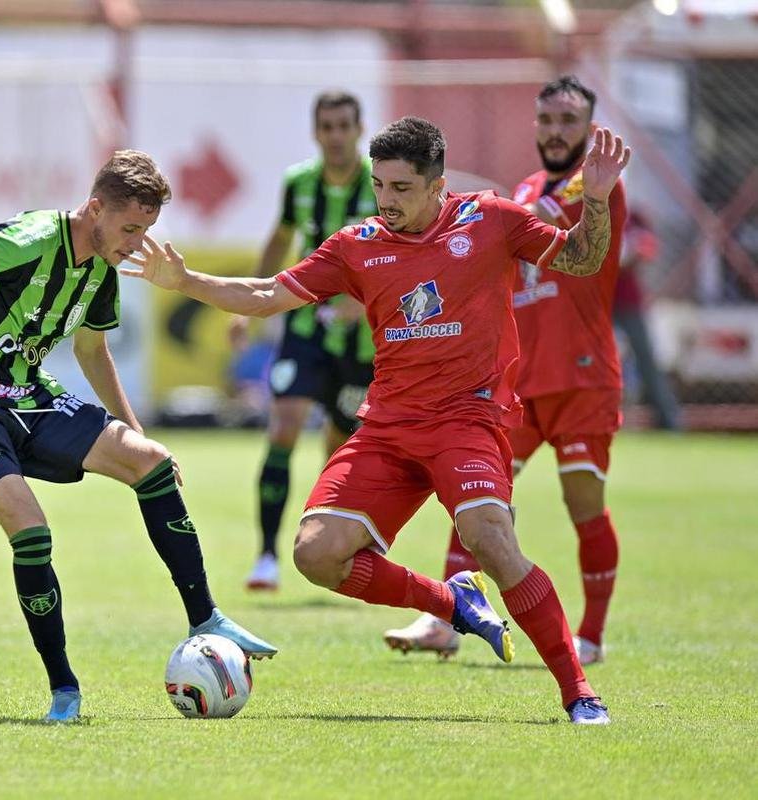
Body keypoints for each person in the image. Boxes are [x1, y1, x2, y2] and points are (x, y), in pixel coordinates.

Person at [123, 116, 628, 724]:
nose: (386, 200)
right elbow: (266, 295)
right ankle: (452, 603)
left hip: (466, 419)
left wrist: (596, 199)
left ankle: (579, 693)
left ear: (438, 185)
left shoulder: (491, 219)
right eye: (379, 185)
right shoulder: (357, 244)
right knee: (315, 554)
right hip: (388, 428)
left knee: (490, 540)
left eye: (401, 188)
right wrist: (184, 281)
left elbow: (582, 257)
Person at [0, 149, 276, 723]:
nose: (137, 244)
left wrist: (135, 435)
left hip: (29, 395)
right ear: (95, 208)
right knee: (30, 528)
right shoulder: (26, 241)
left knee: (152, 462)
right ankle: (63, 689)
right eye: (129, 229)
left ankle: (206, 618)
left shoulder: (102, 269)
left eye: (146, 231)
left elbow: (92, 351)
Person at [384, 76, 629, 666]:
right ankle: (445, 620)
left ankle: (592, 636)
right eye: (547, 119)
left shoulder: (596, 185)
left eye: (568, 121)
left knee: (583, 505)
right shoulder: (526, 187)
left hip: (581, 377)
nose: (555, 131)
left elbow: (547, 228)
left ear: (590, 128)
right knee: (473, 492)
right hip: (520, 381)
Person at [234, 90, 377, 592]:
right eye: (327, 127)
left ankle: (322, 544)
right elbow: (280, 238)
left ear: (359, 130)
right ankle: (266, 556)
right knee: (284, 426)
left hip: (362, 343)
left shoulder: (382, 185)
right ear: (316, 132)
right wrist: (248, 305)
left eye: (344, 126)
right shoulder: (299, 183)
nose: (335, 136)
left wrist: (365, 301)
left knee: (338, 445)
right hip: (305, 330)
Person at [615, 210, 683, 430]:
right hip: (595, 301)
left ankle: (668, 421)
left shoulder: (633, 217)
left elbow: (649, 249)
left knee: (646, 359)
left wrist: (630, 252)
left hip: (627, 301)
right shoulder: (582, 209)